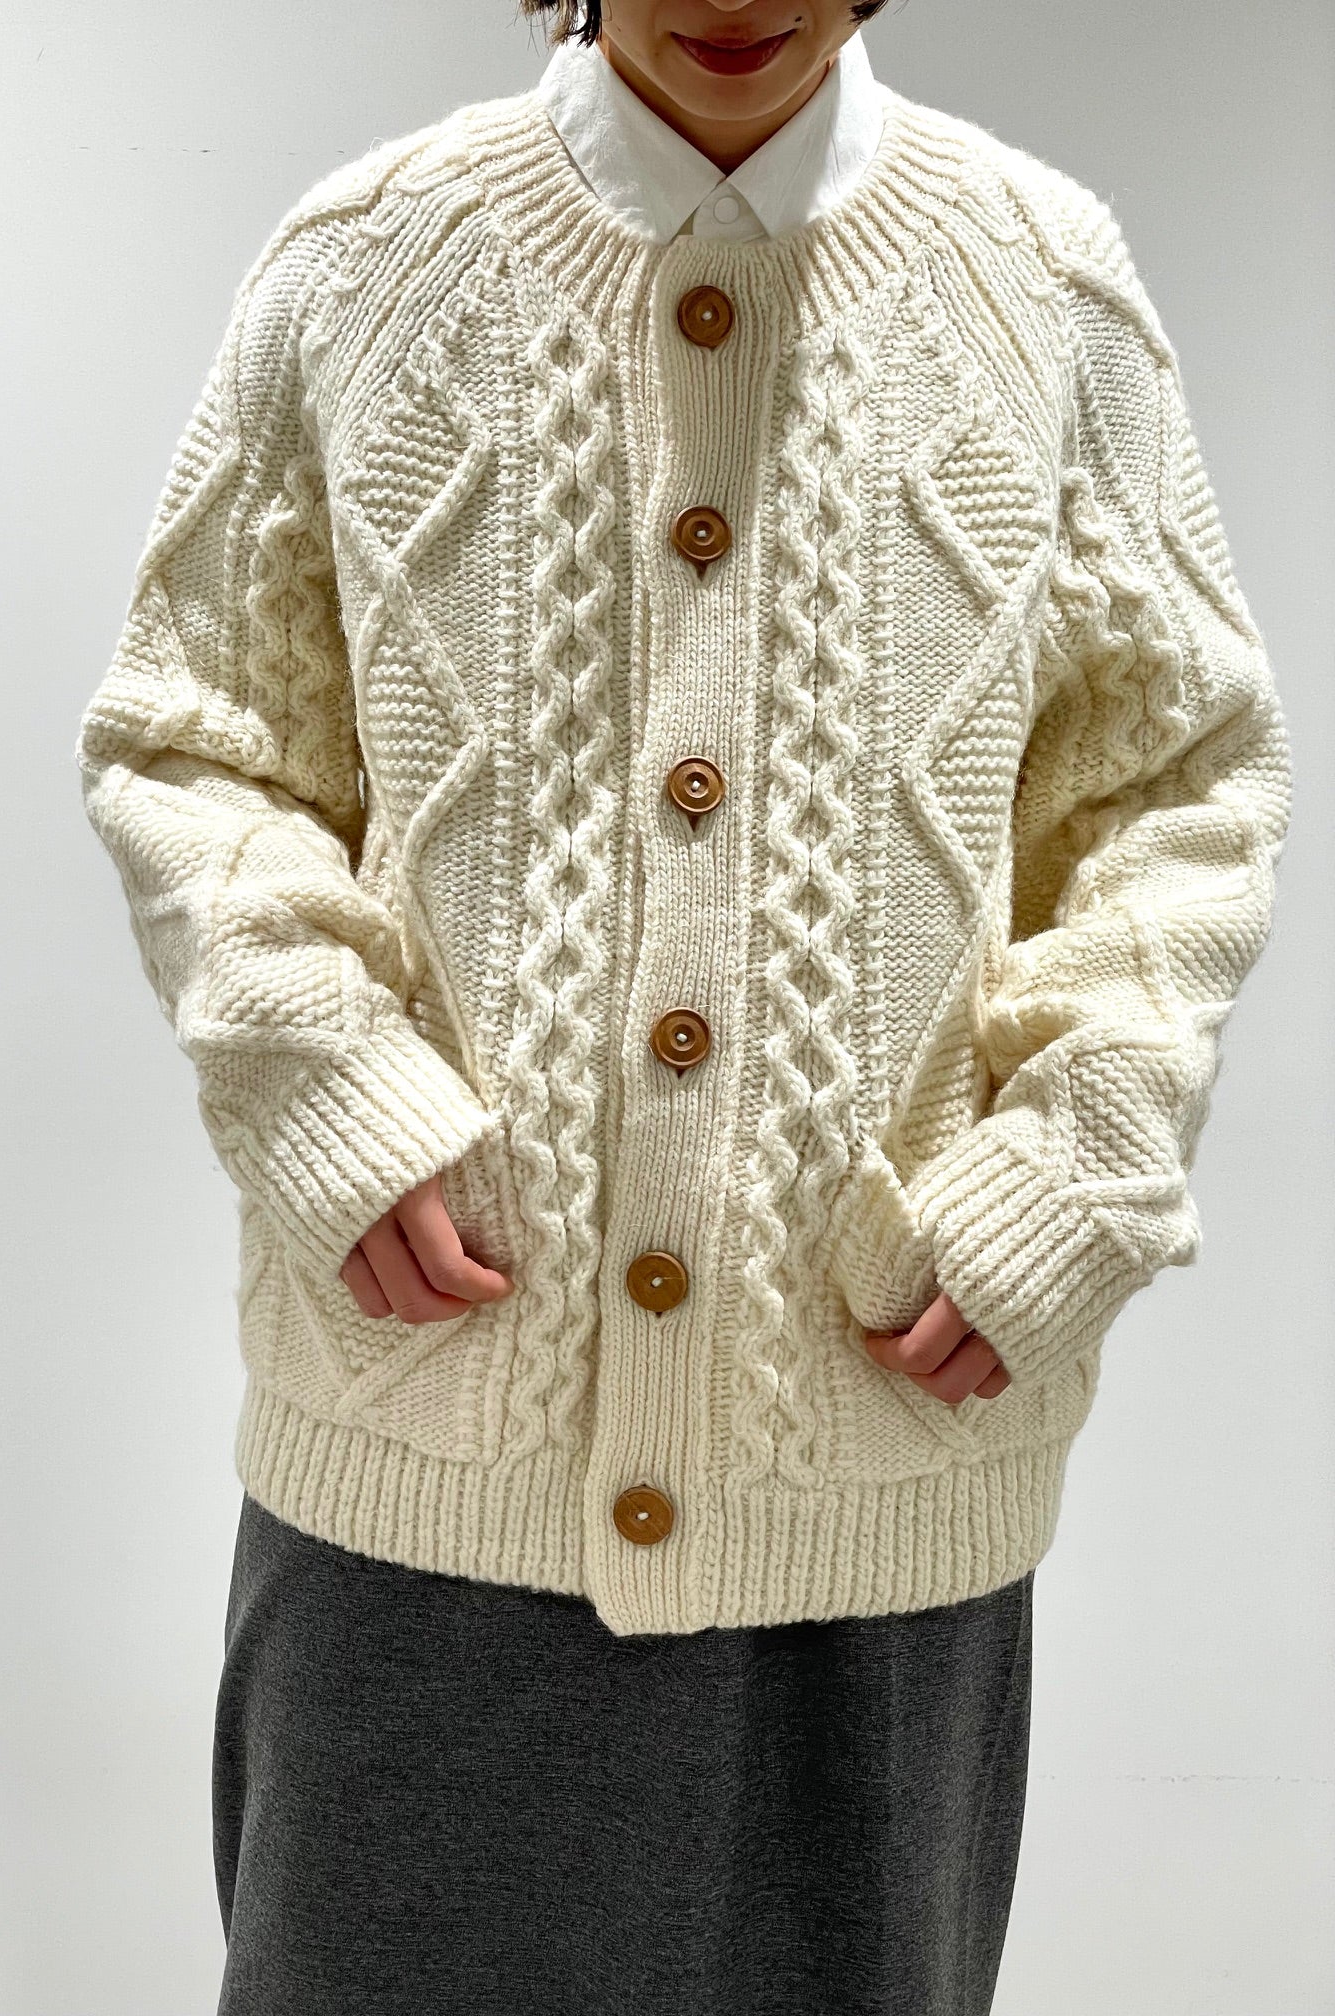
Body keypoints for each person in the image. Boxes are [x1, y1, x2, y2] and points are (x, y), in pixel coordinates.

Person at [72, 2, 1294, 2009]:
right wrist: (326, 1086)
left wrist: (1077, 1165)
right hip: (427, 1463)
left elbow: (1182, 790)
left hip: (874, 1471)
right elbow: (196, 745)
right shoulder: (367, 264)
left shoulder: (1044, 282)